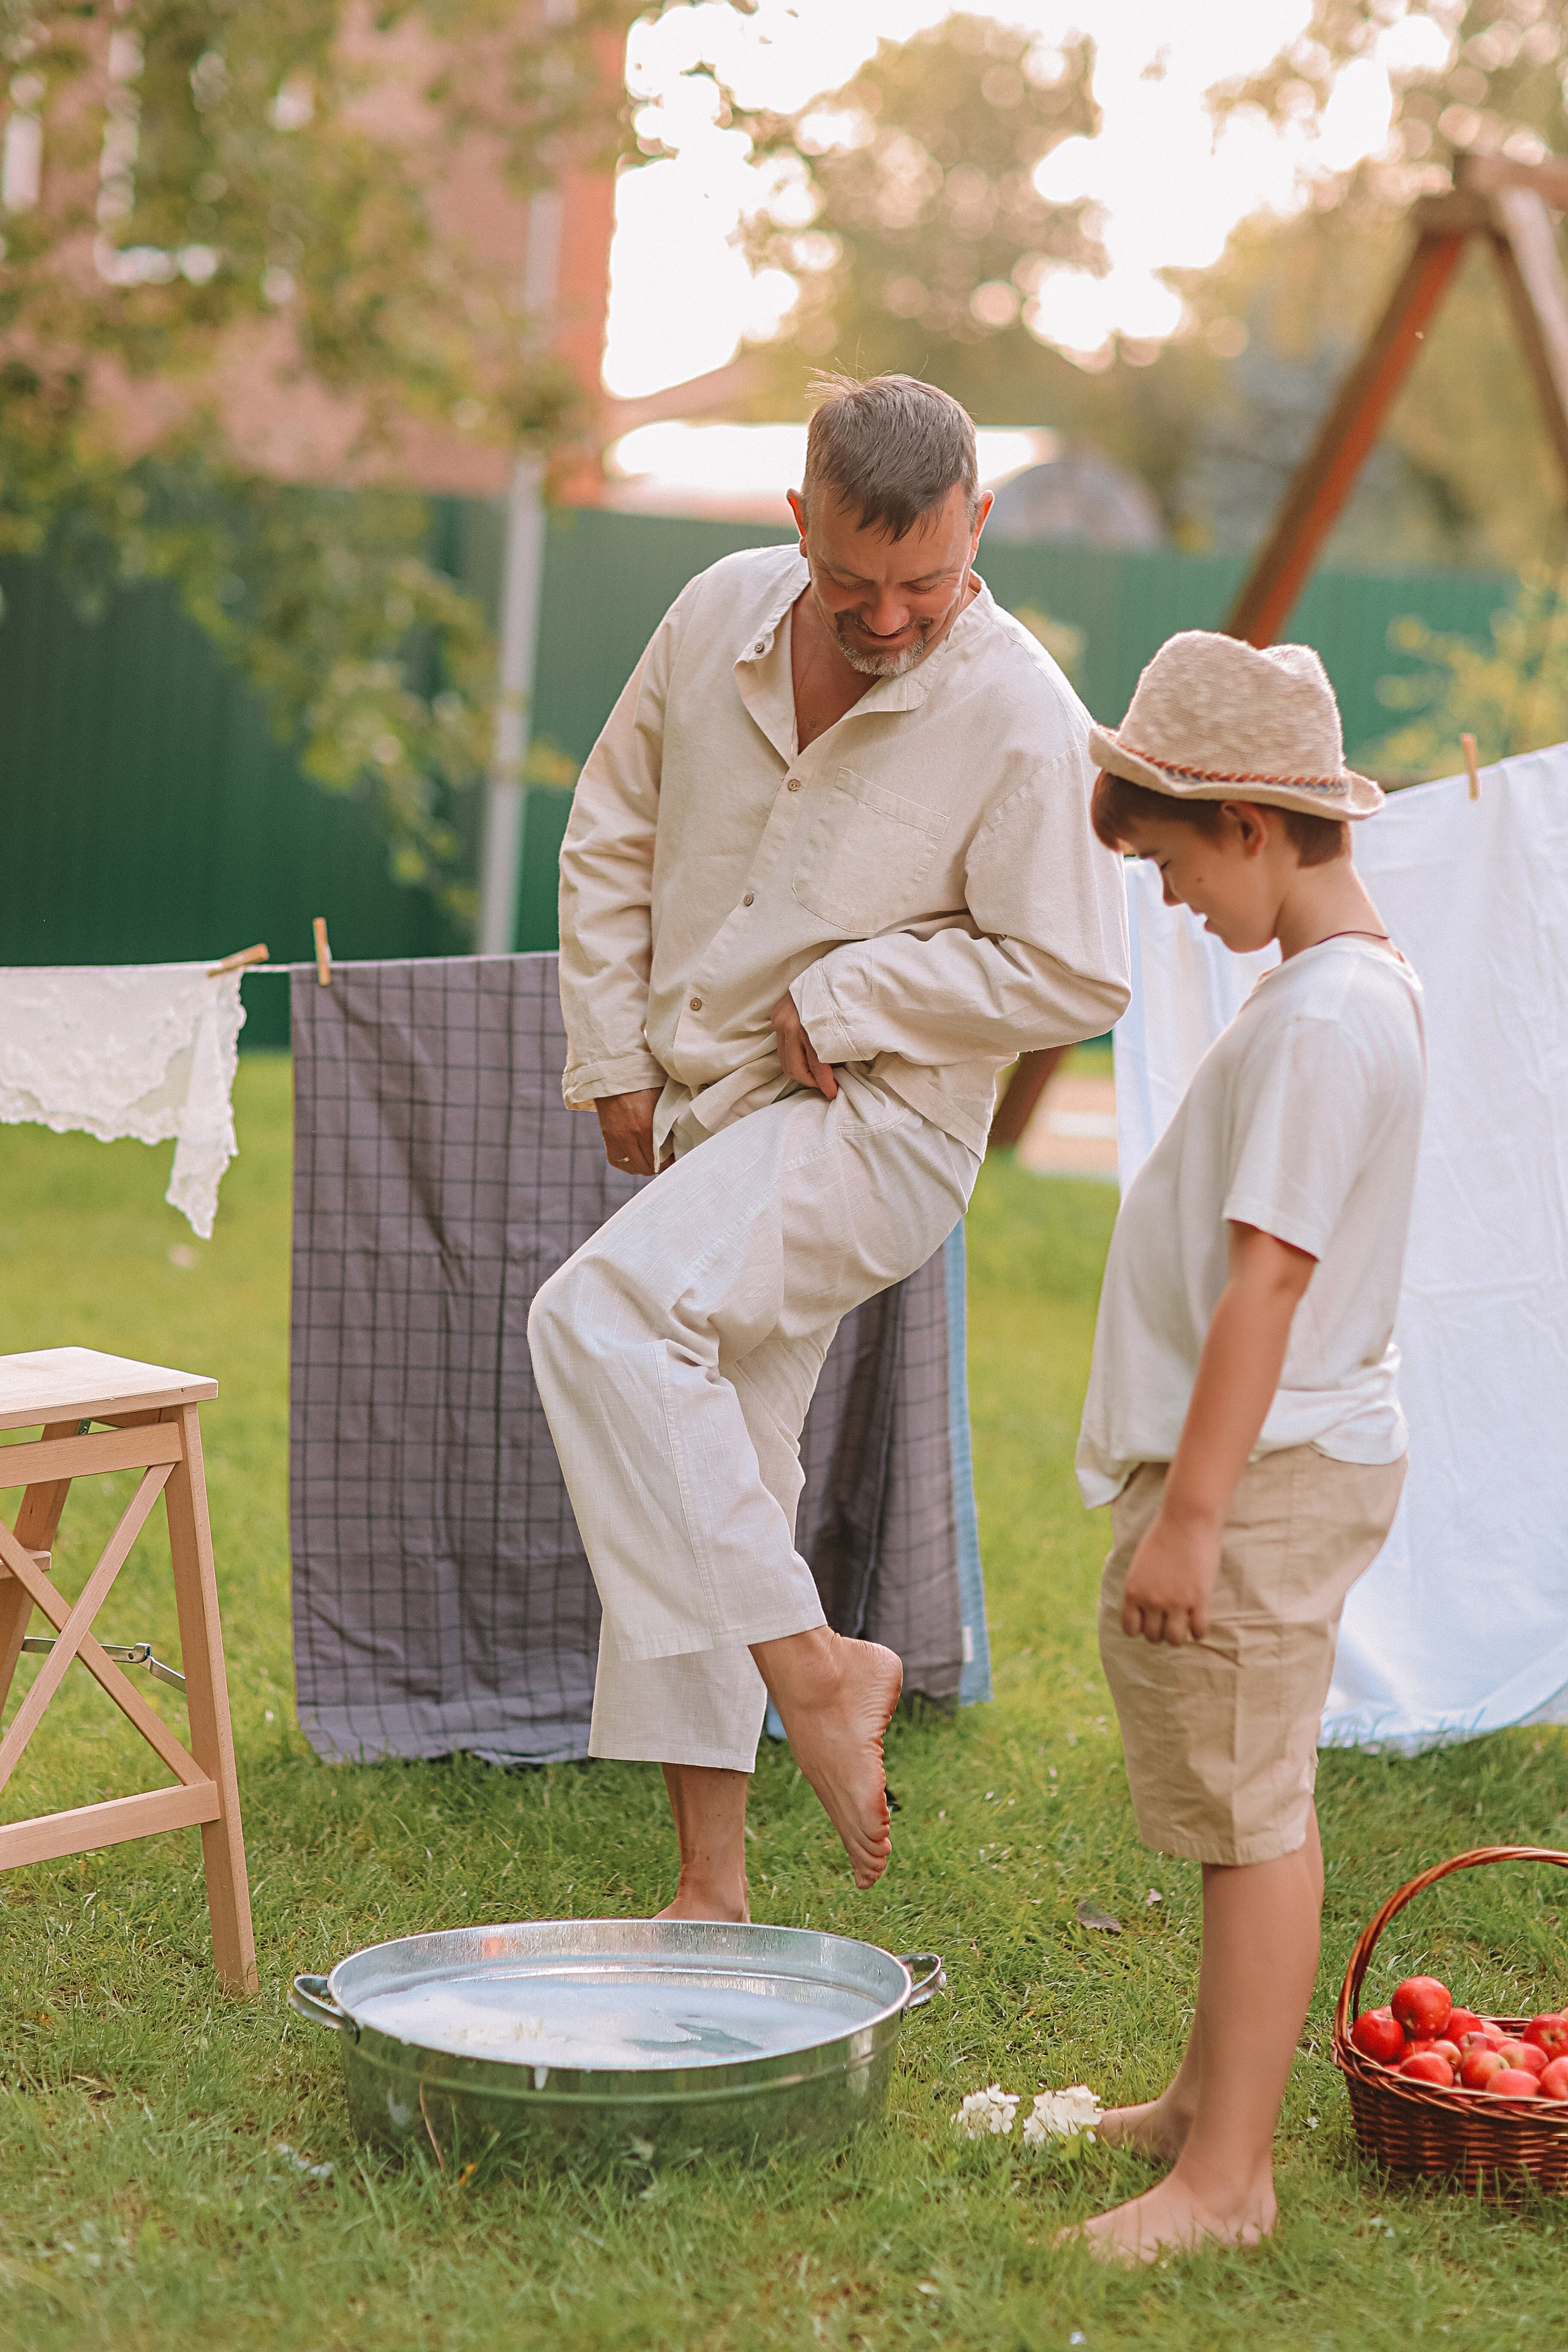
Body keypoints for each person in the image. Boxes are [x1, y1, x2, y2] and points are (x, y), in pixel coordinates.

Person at [528, 373, 1130, 1918]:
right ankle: (709, 1890)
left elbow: (1077, 971)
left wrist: (861, 989)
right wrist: (613, 1057)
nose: (886, 617)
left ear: (976, 522)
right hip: (704, 1111)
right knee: (703, 1456)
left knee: (601, 1321)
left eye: (924, 582)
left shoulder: (1019, 711)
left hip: (877, 1128)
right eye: (851, 581)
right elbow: (610, 824)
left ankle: (814, 1663)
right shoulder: (713, 612)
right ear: (797, 519)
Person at [1069, 629, 1426, 2261]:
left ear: (1253, 827)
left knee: (1249, 1821)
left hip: (1267, 1472)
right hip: (1276, 1459)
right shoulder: (1331, 995)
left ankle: (1228, 2186)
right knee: (1246, 1793)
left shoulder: (1326, 1020)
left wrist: (1193, 1516)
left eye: (1173, 863)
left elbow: (1266, 1285)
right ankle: (1199, 2112)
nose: (1170, 899)